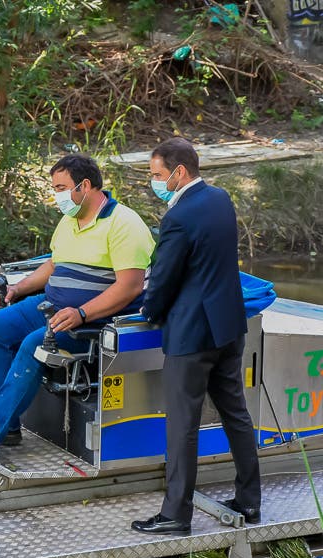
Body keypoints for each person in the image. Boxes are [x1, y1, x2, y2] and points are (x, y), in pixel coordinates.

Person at [0, 154, 155, 458]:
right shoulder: (70, 220)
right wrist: (16, 288)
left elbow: (130, 287)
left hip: (93, 318)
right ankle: (9, 427)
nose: (56, 195)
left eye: (60, 187)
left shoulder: (125, 224)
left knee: (35, 343)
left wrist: (82, 313)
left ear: (84, 185)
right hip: (52, 304)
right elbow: (54, 265)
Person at [131, 137, 262, 536]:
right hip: (227, 326)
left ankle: (174, 515)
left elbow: (165, 277)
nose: (153, 182)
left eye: (156, 175)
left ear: (179, 172)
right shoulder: (220, 198)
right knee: (235, 414)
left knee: (182, 425)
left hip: (192, 334)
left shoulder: (178, 217)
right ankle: (248, 501)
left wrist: (149, 311)